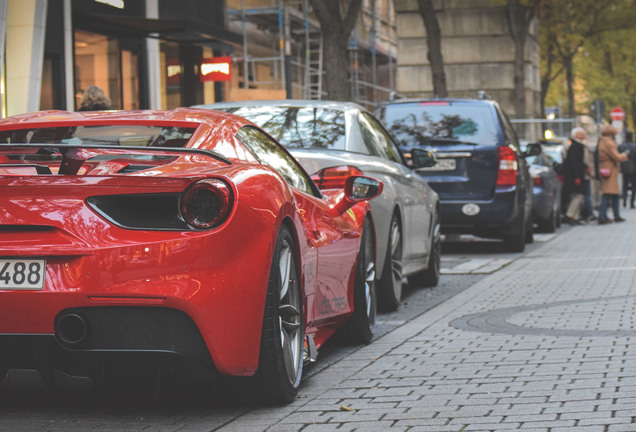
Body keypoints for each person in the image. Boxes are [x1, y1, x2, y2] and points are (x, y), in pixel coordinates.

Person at [597, 124, 628, 224]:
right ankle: (604, 216)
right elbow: (616, 157)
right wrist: (624, 155)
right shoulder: (609, 143)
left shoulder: (602, 141)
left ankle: (613, 215)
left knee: (612, 193)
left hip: (606, 169)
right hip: (610, 170)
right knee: (608, 194)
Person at [562, 127, 588, 224]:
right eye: (581, 134)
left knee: (576, 195)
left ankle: (575, 216)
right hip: (575, 176)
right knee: (578, 195)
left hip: (575, 175)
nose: (584, 136)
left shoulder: (575, 146)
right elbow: (575, 163)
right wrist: (577, 176)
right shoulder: (575, 147)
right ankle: (570, 214)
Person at [618, 130, 636, 208]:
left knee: (625, 185)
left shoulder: (621, 146)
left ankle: (624, 200)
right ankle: (632, 202)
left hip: (624, 168)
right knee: (634, 186)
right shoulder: (634, 146)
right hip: (634, 169)